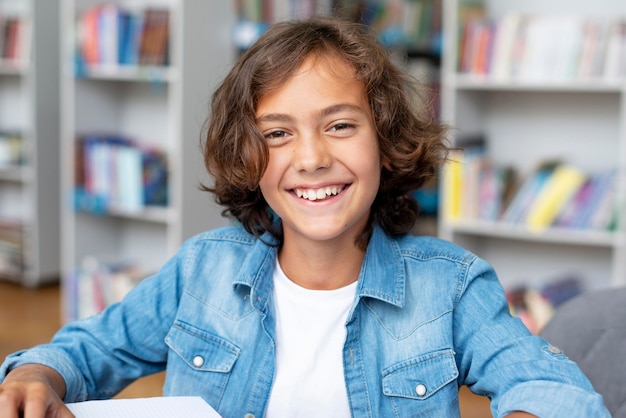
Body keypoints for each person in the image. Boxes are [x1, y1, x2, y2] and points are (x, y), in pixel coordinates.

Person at [0, 17, 609, 418]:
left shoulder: (451, 285)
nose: (313, 158)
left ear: (385, 139)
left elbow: (550, 388)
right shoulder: (202, 270)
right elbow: (83, 351)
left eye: (340, 125)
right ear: (248, 154)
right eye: (278, 134)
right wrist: (38, 372)